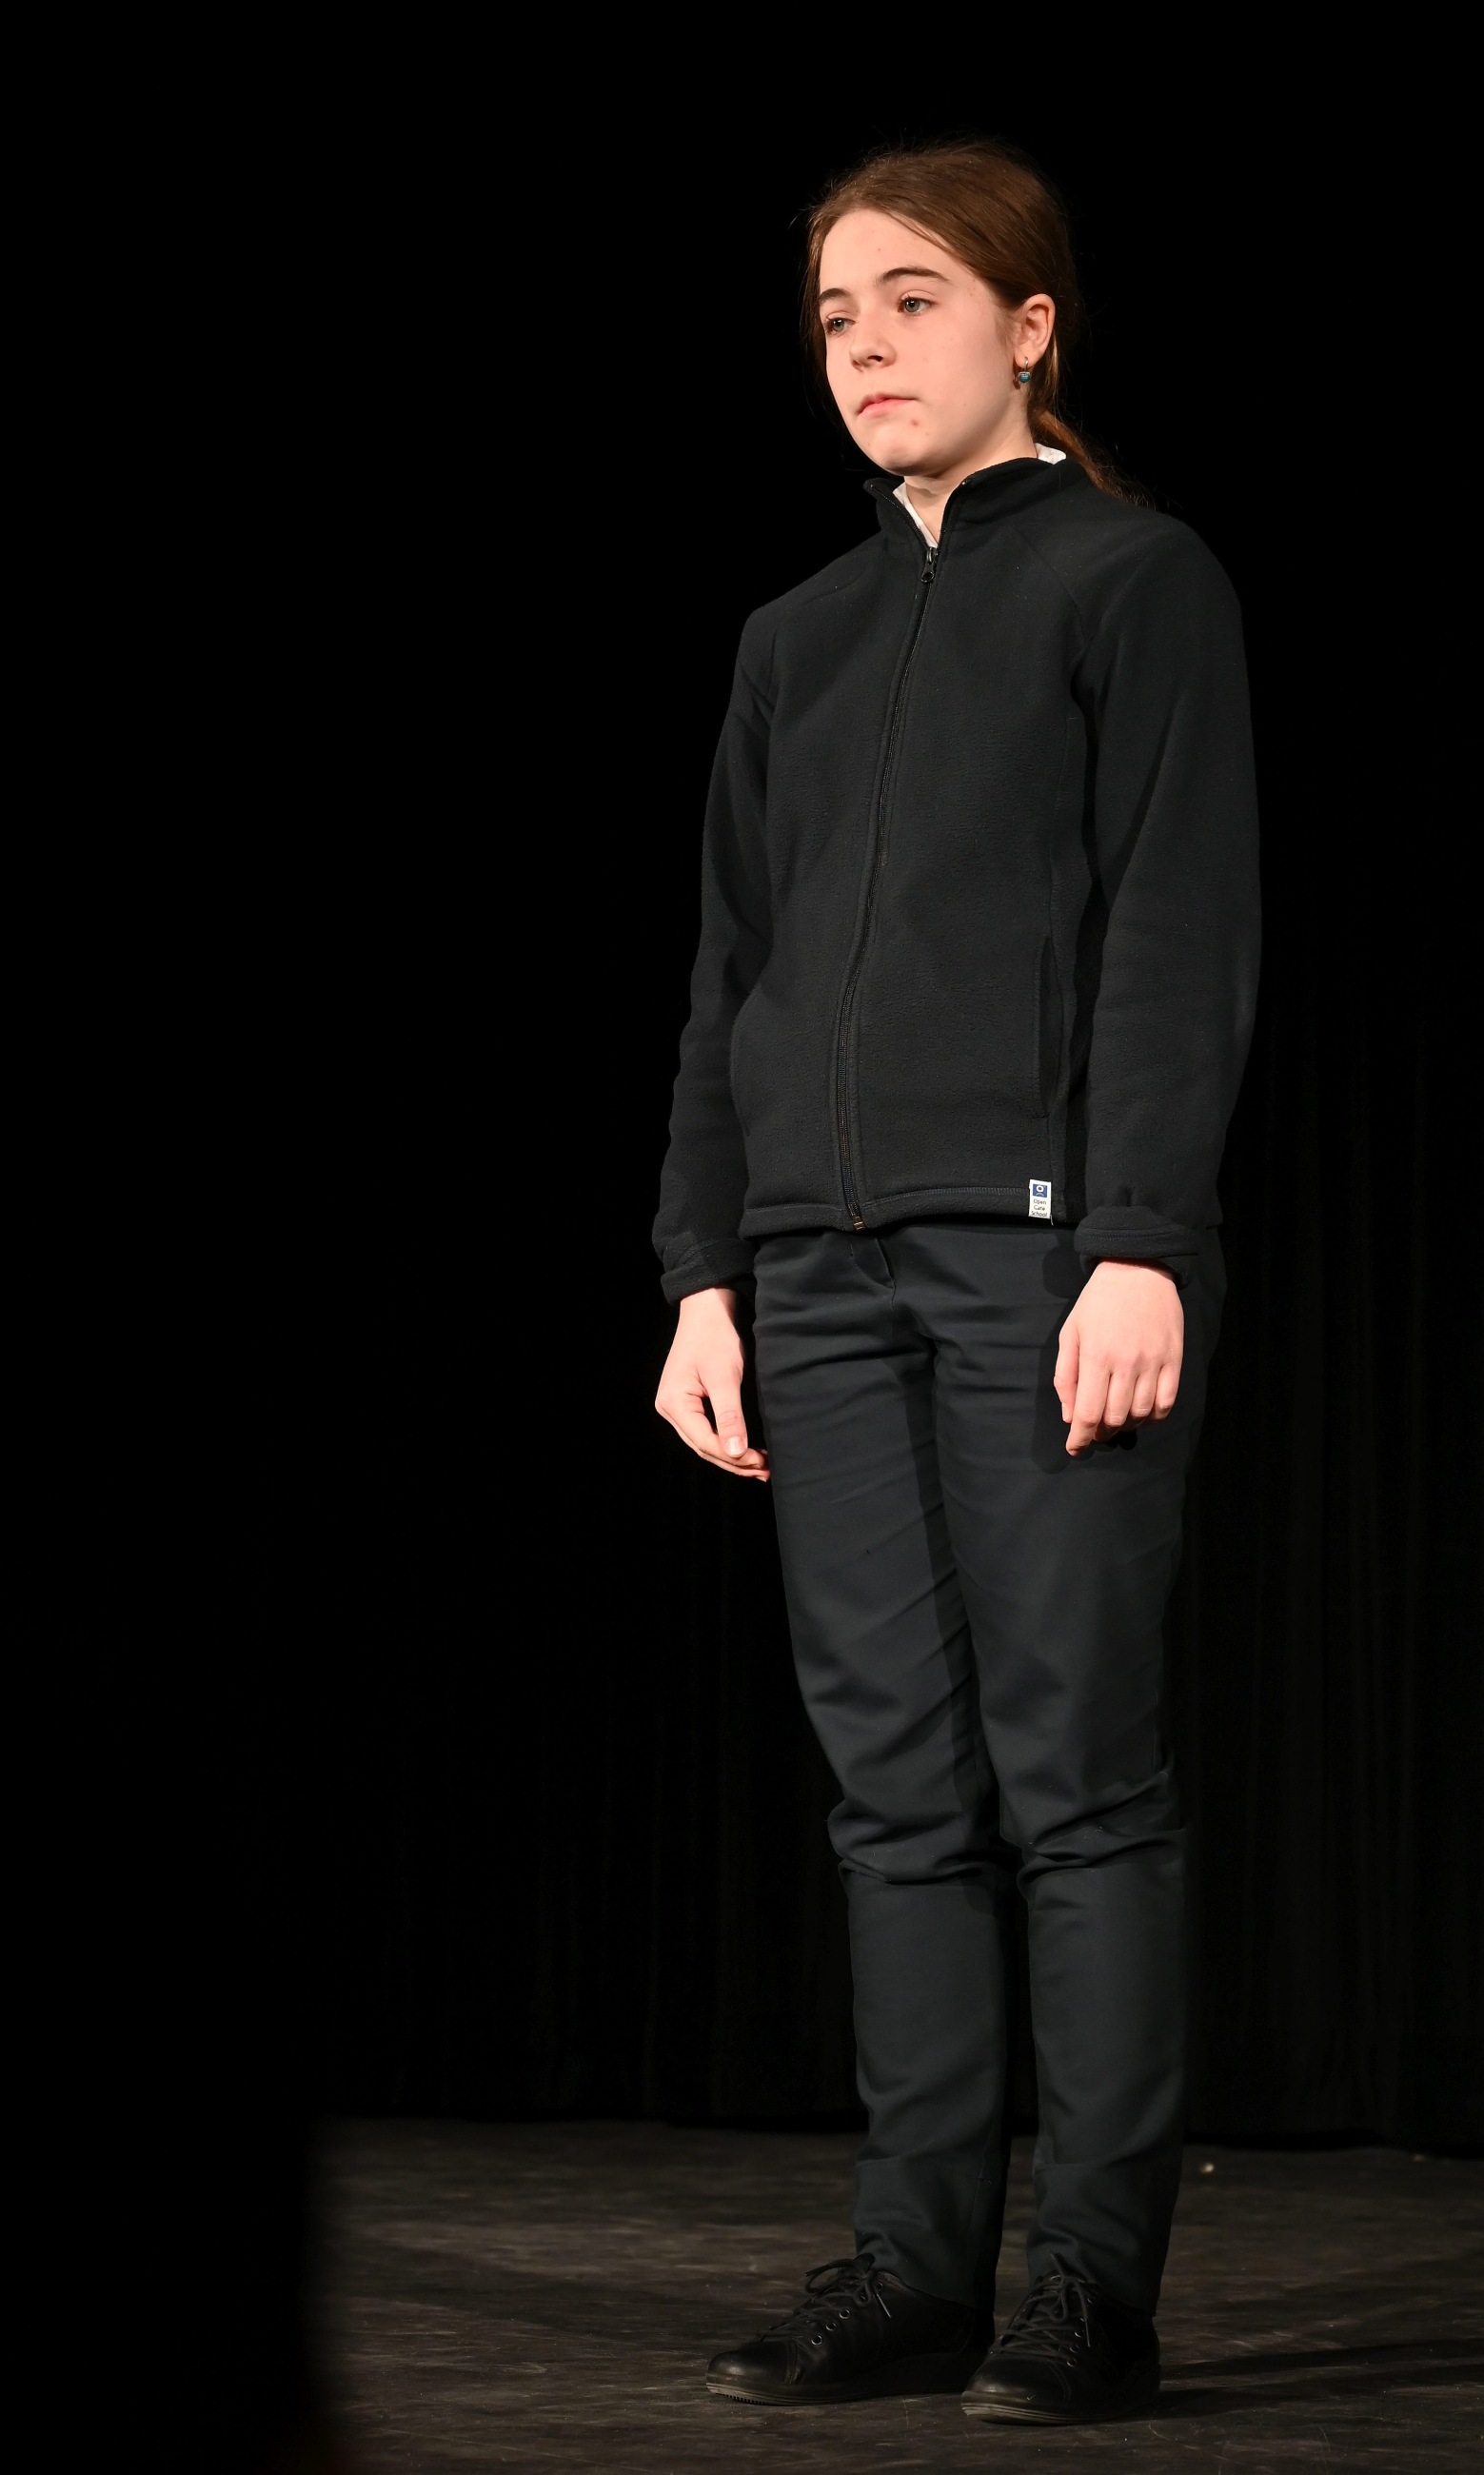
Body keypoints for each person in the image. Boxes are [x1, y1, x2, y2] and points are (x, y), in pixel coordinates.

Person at [652, 138, 1258, 2427]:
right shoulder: (792, 640)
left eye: (914, 299)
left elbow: (1180, 926)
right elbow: (731, 977)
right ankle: (914, 2263)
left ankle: (1089, 2283)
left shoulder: (1133, 580)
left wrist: (1143, 1235)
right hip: (813, 1275)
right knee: (893, 1791)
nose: (867, 346)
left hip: (1041, 1260)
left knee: (1074, 1776)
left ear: (1029, 326)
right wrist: (702, 1273)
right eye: (835, 314)